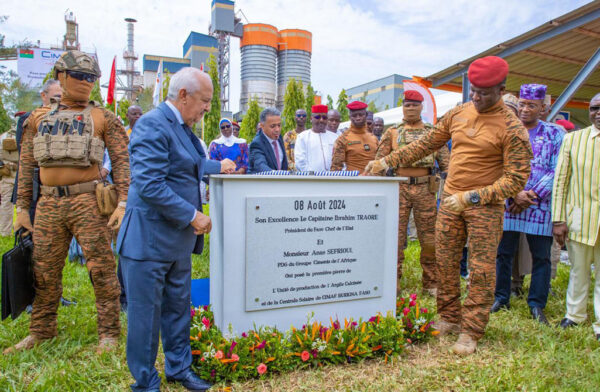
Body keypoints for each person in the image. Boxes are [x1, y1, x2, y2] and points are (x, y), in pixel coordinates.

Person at [365, 56, 532, 355]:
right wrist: (385, 161)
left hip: (484, 207)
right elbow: (426, 143)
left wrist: (472, 197)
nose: (477, 98)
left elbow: (516, 179)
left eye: (485, 92)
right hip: (450, 202)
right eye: (474, 92)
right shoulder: (459, 113)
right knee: (445, 262)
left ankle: (471, 330)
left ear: (501, 89)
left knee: (480, 270)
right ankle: (449, 317)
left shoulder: (512, 127)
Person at [117, 67, 235, 391]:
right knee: (145, 319)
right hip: (149, 242)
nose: (208, 109)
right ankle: (145, 381)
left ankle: (179, 369)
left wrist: (218, 167)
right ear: (183, 95)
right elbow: (150, 184)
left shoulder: (182, 127)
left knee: (178, 309)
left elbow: (188, 164)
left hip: (176, 242)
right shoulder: (152, 125)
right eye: (205, 101)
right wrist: (192, 216)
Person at [5, 50, 130, 354]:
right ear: (61, 76)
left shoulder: (104, 117)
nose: (86, 82)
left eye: (91, 77)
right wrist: (21, 208)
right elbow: (27, 166)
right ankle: (42, 330)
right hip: (48, 204)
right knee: (43, 269)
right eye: (79, 76)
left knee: (101, 268)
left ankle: (109, 333)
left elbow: (123, 162)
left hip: (88, 201)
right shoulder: (37, 119)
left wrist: (123, 202)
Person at [492, 84, 564, 325]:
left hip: (539, 205)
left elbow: (557, 169)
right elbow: (496, 165)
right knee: (503, 253)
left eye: (531, 105)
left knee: (541, 256)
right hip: (509, 203)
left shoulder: (555, 133)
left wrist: (530, 195)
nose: (524, 109)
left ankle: (536, 304)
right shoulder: (505, 130)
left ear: (542, 108)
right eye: (522, 104)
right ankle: (501, 298)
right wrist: (514, 194)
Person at [374, 90, 450, 297]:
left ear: (421, 107)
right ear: (402, 107)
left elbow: (446, 164)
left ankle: (431, 282)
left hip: (426, 188)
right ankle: (393, 281)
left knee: (429, 239)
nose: (410, 108)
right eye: (407, 104)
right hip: (399, 188)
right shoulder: (392, 133)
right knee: (395, 237)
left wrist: (448, 193)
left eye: (414, 105)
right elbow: (379, 163)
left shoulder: (432, 133)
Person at [552, 93, 600, 341]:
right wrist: (558, 219)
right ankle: (574, 315)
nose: (598, 113)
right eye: (594, 108)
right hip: (579, 218)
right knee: (578, 270)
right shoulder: (573, 140)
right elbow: (560, 181)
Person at [331, 101, 377, 174]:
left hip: (374, 182)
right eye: (354, 115)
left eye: (361, 115)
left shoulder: (374, 138)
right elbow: (336, 168)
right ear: (350, 117)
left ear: (366, 115)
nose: (358, 118)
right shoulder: (343, 139)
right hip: (354, 183)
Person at [295, 105, 339, 172]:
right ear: (311, 119)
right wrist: (313, 177)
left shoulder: (335, 137)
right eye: (317, 117)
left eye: (324, 117)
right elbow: (300, 162)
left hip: (332, 179)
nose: (321, 120)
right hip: (310, 179)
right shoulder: (302, 137)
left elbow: (340, 159)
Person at [248, 108, 288, 173]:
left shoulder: (279, 137)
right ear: (262, 126)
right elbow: (261, 166)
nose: (277, 129)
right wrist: (278, 175)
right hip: (263, 182)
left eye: (279, 125)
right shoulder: (256, 144)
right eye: (273, 126)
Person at [0, 127, 18, 236]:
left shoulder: (3, 136)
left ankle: (5, 232)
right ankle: (25, 233)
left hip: (6, 176)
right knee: (25, 206)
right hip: (22, 176)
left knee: (6, 205)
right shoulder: (26, 135)